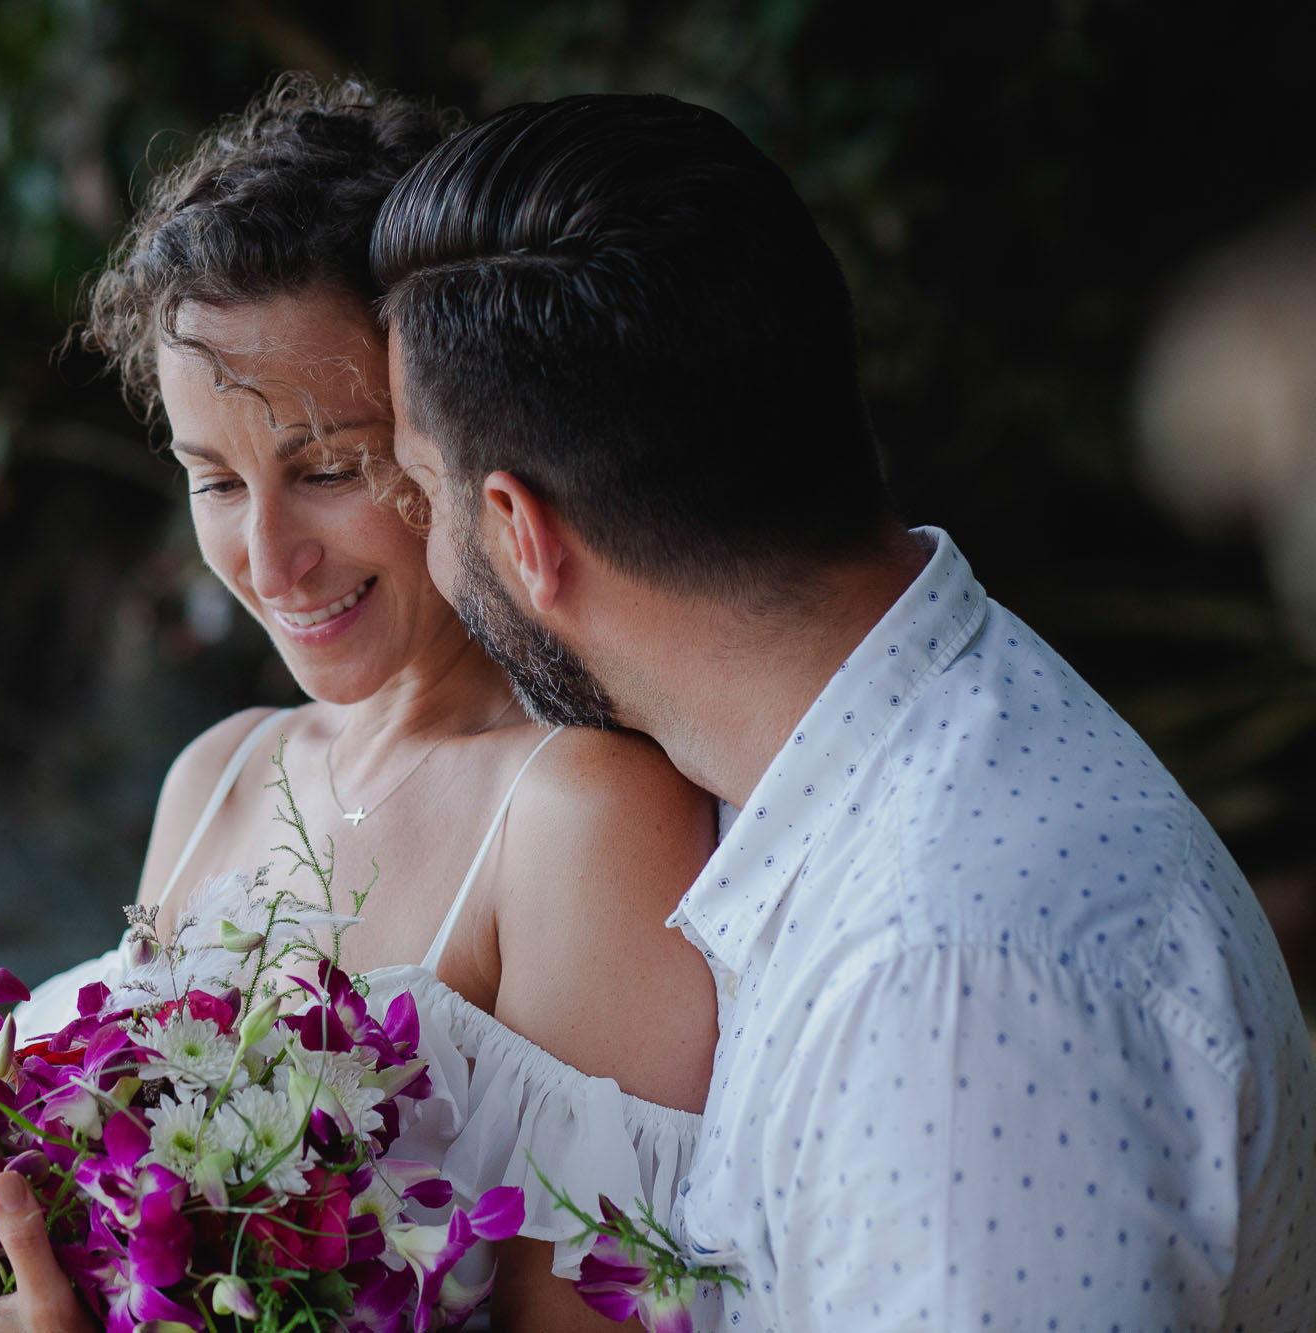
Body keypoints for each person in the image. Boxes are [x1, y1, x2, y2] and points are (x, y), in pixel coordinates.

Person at [369, 91, 1316, 1330]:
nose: (421, 553)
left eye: (421, 490)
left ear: (518, 532)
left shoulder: (952, 990)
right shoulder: (874, 767)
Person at [0, 77, 723, 1333]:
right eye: (214, 481)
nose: (268, 565)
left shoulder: (582, 813)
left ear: (455, 425)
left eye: (326, 468)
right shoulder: (216, 775)